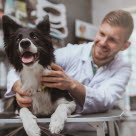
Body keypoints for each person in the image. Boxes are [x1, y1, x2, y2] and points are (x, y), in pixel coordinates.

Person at [5, 10, 134, 135]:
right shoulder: (71, 52)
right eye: (102, 34)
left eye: (112, 40)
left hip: (91, 131)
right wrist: (17, 86)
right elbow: (20, 66)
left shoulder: (123, 68)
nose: (103, 42)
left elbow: (106, 99)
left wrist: (71, 84)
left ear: (125, 46)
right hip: (48, 131)